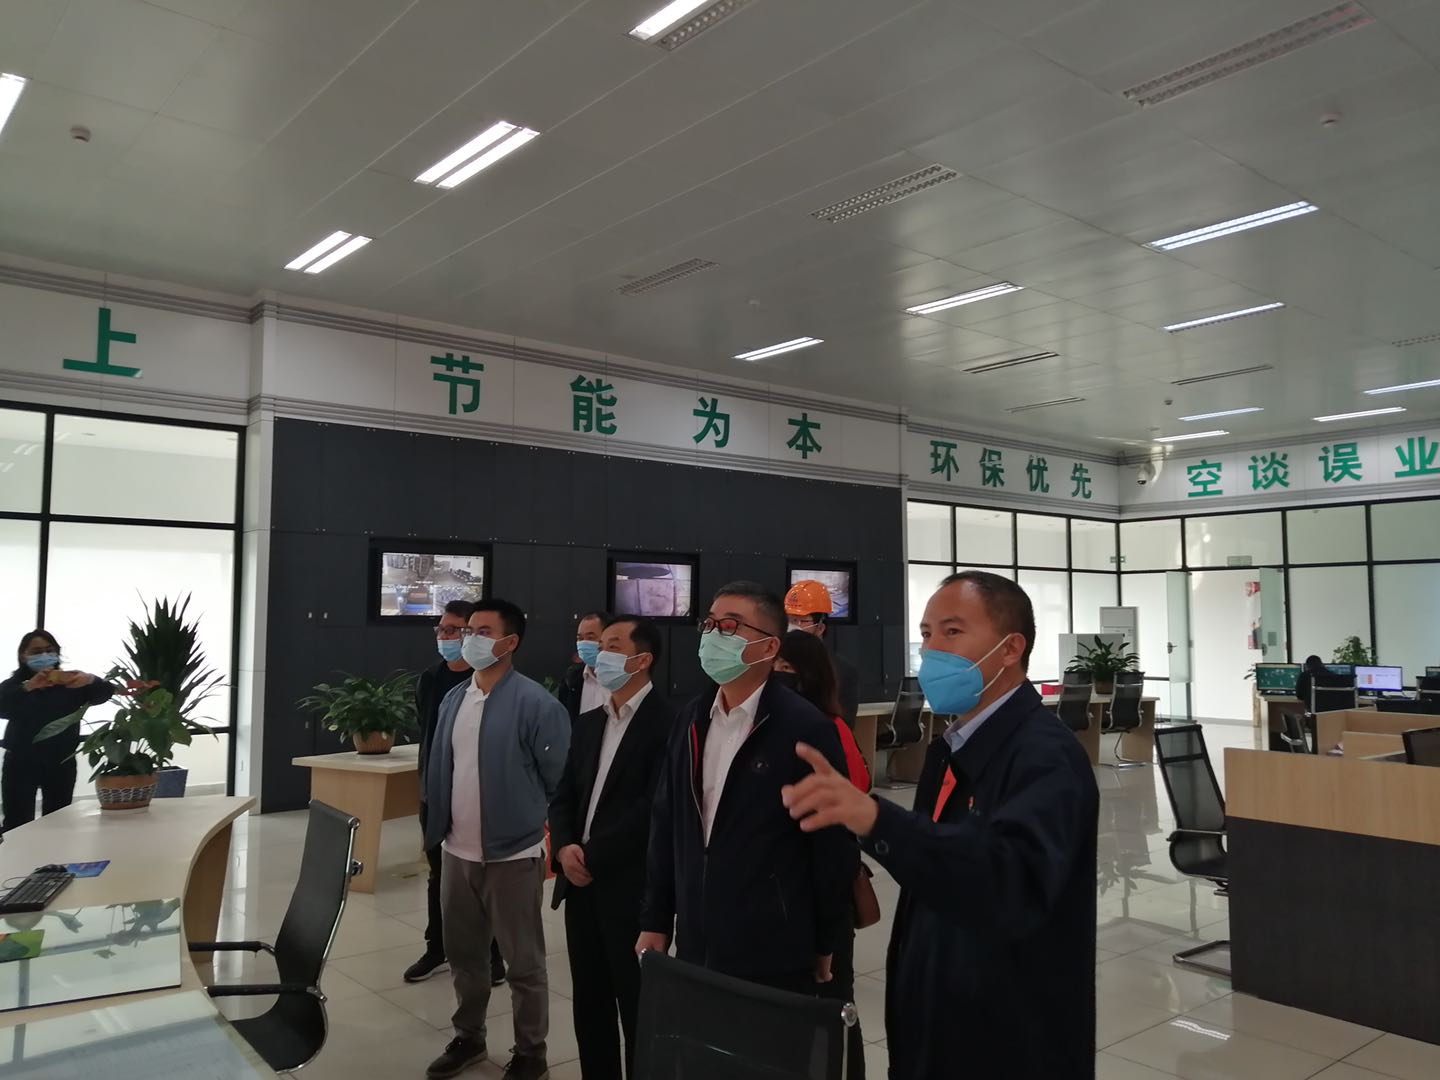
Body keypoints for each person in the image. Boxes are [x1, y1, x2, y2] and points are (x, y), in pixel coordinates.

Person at [780, 571, 1100, 1079]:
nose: (932, 651)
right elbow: (941, 870)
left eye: (952, 632)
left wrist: (877, 819)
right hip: (942, 1015)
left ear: (1010, 648)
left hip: (1007, 1036)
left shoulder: (1044, 756)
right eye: (927, 634)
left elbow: (1008, 881)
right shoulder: (951, 747)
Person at [637, 582, 857, 995]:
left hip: (773, 945)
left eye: (730, 626)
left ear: (769, 647)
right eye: (710, 624)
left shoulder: (804, 727)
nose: (713, 635)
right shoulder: (690, 720)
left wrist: (827, 937)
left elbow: (831, 843)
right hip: (697, 937)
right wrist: (656, 918)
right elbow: (667, 823)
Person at [423, 600, 570, 1080]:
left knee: (523, 963)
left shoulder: (537, 704)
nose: (470, 638)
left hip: (513, 855)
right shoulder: (455, 699)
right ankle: (469, 1035)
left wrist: (530, 822)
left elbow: (557, 779)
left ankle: (531, 1052)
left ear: (510, 642)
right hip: (456, 851)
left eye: (483, 631)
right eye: (469, 630)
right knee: (465, 957)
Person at [550, 616, 674, 1080]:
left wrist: (591, 855)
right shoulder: (588, 722)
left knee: (639, 1005)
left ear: (642, 660)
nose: (599, 654)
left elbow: (655, 806)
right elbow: (564, 794)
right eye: (599, 644)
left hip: (631, 888)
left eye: (612, 645)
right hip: (579, 884)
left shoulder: (670, 723)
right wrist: (564, 847)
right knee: (590, 1002)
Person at [774, 629, 871, 1079]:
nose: (777, 677)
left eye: (786, 669)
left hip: (826, 893)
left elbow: (848, 813)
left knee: (834, 1013)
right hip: (790, 898)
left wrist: (827, 935)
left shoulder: (828, 730)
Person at [404, 601, 506, 987]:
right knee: (439, 875)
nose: (445, 637)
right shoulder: (430, 679)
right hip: (435, 794)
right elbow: (428, 731)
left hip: (477, 794)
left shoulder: (488, 682)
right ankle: (438, 948)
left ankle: (492, 953)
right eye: (441, 630)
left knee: (482, 877)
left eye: (453, 630)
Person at [0, 631, 116, 833]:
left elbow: (105, 692)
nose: (44, 655)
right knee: (17, 823)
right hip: (20, 762)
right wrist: (28, 686)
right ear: (23, 655)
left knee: (58, 822)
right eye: (36, 651)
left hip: (61, 762)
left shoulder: (71, 682)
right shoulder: (14, 685)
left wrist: (91, 679)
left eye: (49, 650)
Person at [784, 580, 859, 728]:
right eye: (791, 620)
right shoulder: (775, 663)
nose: (794, 626)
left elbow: (844, 727)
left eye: (802, 621)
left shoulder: (841, 671)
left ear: (820, 628)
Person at [557, 611, 611, 725]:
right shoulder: (571, 679)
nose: (584, 643)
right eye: (580, 638)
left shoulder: (620, 677)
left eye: (590, 638)